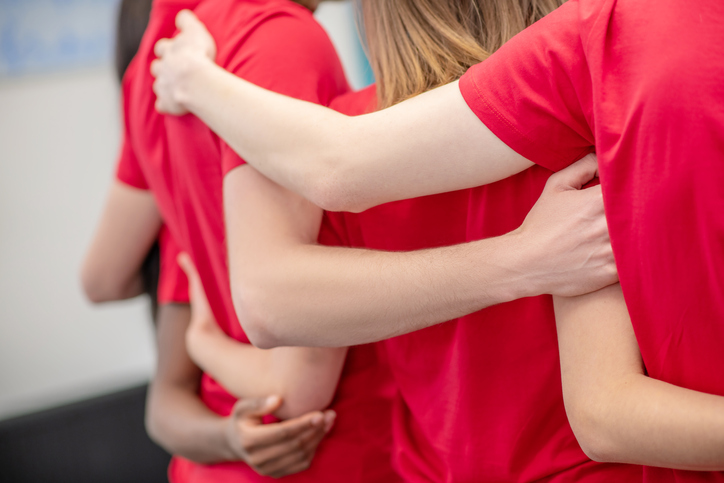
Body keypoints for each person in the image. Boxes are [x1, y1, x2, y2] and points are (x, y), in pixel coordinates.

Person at [150, 0, 724, 480]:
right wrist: (522, 259)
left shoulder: (345, 129)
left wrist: (197, 81)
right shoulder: (578, 113)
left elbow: (322, 190)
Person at [82, 0, 401, 481]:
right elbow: (295, 387)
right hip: (331, 452)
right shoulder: (278, 39)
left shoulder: (156, 65)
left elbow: (102, 277)